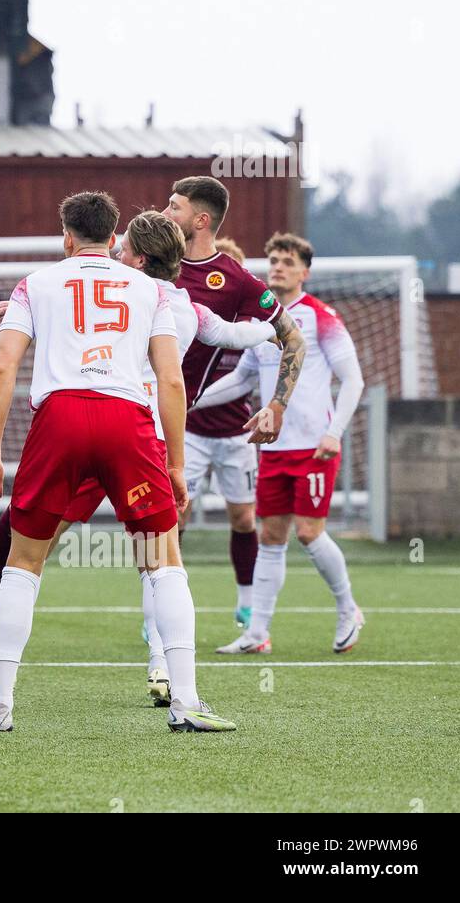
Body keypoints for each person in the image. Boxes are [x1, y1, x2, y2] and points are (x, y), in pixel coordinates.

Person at [0, 212, 273, 707]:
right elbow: (233, 335)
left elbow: (74, 327)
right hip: (141, 439)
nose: (117, 255)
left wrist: (23, 314)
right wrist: (277, 327)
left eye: (125, 251)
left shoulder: (144, 296)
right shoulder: (180, 306)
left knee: (31, 547)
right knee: (157, 558)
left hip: (94, 423)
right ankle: (166, 673)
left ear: (138, 257)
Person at [195, 233, 366, 655]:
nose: (277, 267)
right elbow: (241, 380)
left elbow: (354, 380)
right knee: (270, 536)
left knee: (308, 532)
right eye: (273, 260)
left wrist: (334, 432)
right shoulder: (262, 324)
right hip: (272, 446)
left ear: (304, 271)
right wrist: (189, 401)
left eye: (288, 262)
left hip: (314, 446)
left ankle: (348, 609)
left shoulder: (321, 317)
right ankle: (257, 633)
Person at [163, 177, 306, 628]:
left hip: (216, 428)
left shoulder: (237, 285)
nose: (165, 212)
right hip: (148, 418)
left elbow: (292, 339)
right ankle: (159, 616)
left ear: (200, 220)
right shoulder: (146, 260)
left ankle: (239, 605)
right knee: (164, 522)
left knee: (236, 519)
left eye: (174, 206)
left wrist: (277, 405)